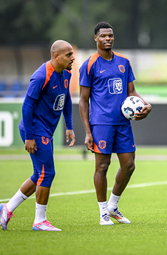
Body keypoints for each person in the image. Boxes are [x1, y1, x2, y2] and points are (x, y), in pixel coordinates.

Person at [79, 22, 152, 225]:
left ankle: (113, 205)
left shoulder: (124, 62)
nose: (108, 39)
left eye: (110, 35)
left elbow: (131, 92)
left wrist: (146, 105)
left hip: (123, 123)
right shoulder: (90, 64)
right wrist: (87, 132)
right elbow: (83, 100)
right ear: (96, 39)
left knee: (129, 166)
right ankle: (103, 212)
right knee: (102, 166)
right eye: (103, 36)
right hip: (101, 123)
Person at [0, 40, 76, 231]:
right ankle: (39, 221)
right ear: (56, 56)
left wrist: (69, 126)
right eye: (68, 55)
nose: (72, 58)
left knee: (39, 174)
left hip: (46, 130)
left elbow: (65, 100)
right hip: (35, 130)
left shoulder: (66, 74)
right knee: (47, 173)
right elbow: (27, 105)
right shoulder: (41, 76)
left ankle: (6, 209)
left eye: (72, 54)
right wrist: (29, 137)